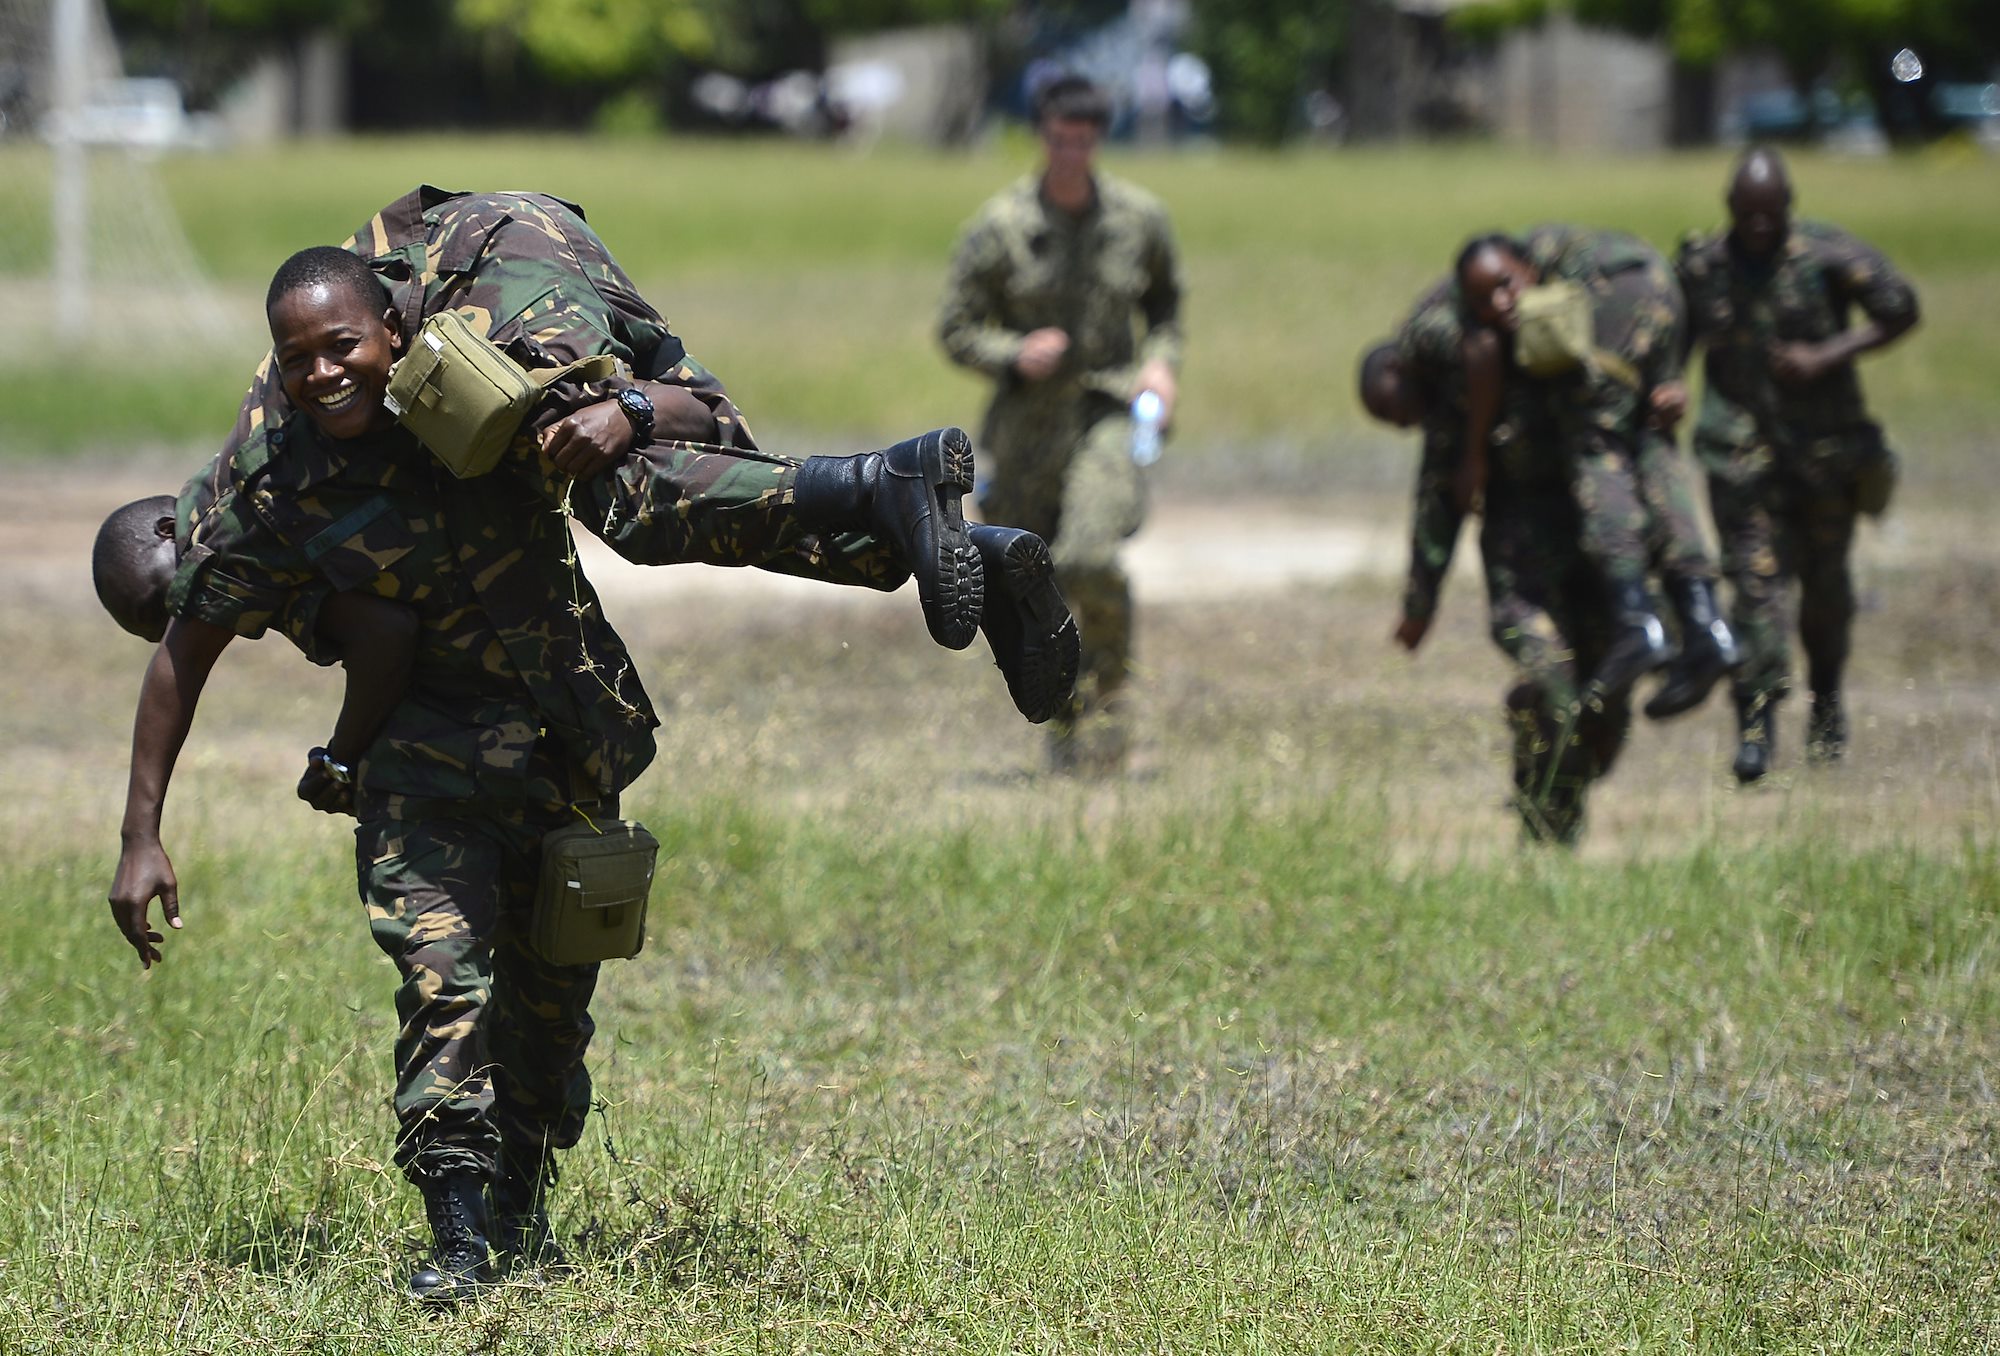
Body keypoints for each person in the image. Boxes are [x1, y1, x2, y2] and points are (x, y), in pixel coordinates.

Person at [104, 186, 1074, 1303]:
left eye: (342, 348)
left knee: (554, 997)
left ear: (393, 330)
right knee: (445, 982)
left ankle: (901, 503)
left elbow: (694, 418)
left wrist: (631, 409)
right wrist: (145, 835)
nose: (322, 374)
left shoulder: (475, 361)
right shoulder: (270, 492)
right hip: (428, 766)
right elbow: (192, 650)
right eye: (298, 360)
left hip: (562, 722)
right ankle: (466, 1241)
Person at [938, 73, 1183, 773]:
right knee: (1030, 579)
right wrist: (1014, 353)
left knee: (1090, 556)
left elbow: (1166, 308)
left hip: (1108, 413)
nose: (1071, 154)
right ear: (1041, 137)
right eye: (1058, 140)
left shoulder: (1139, 219)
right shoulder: (1001, 226)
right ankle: (1067, 723)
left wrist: (1161, 365)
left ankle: (1110, 704)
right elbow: (956, 328)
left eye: (1084, 141)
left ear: (1099, 139)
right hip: (1026, 429)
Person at [1676, 148, 1919, 782]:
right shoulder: (1703, 268)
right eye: (1748, 213)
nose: (1760, 224)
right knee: (1755, 592)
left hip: (1825, 458)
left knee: (1825, 593)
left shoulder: (1828, 255)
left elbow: (1901, 309)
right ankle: (1755, 729)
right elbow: (1676, 338)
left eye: (1772, 212)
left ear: (1790, 205)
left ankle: (1827, 701)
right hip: (1741, 461)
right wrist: (1669, 386)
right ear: (1730, 207)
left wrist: (1827, 354)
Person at [1363, 319, 1633, 846]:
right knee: (1555, 684)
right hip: (1522, 569)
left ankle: (1537, 741)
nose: (1404, 423)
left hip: (1596, 554)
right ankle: (1547, 837)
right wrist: (1420, 604)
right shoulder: (1453, 410)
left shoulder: (1543, 355)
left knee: (1604, 705)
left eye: (1394, 409)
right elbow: (1437, 503)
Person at [1451, 227, 1740, 718]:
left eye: (1506, 285)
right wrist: (1669, 377)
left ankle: (1636, 621)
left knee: (1595, 447)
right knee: (1651, 440)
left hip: (1617, 298)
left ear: (1526, 264)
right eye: (1482, 299)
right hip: (1663, 287)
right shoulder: (1561, 254)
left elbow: (1480, 348)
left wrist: (1473, 454)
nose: (1499, 304)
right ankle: (1706, 625)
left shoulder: (1460, 296)